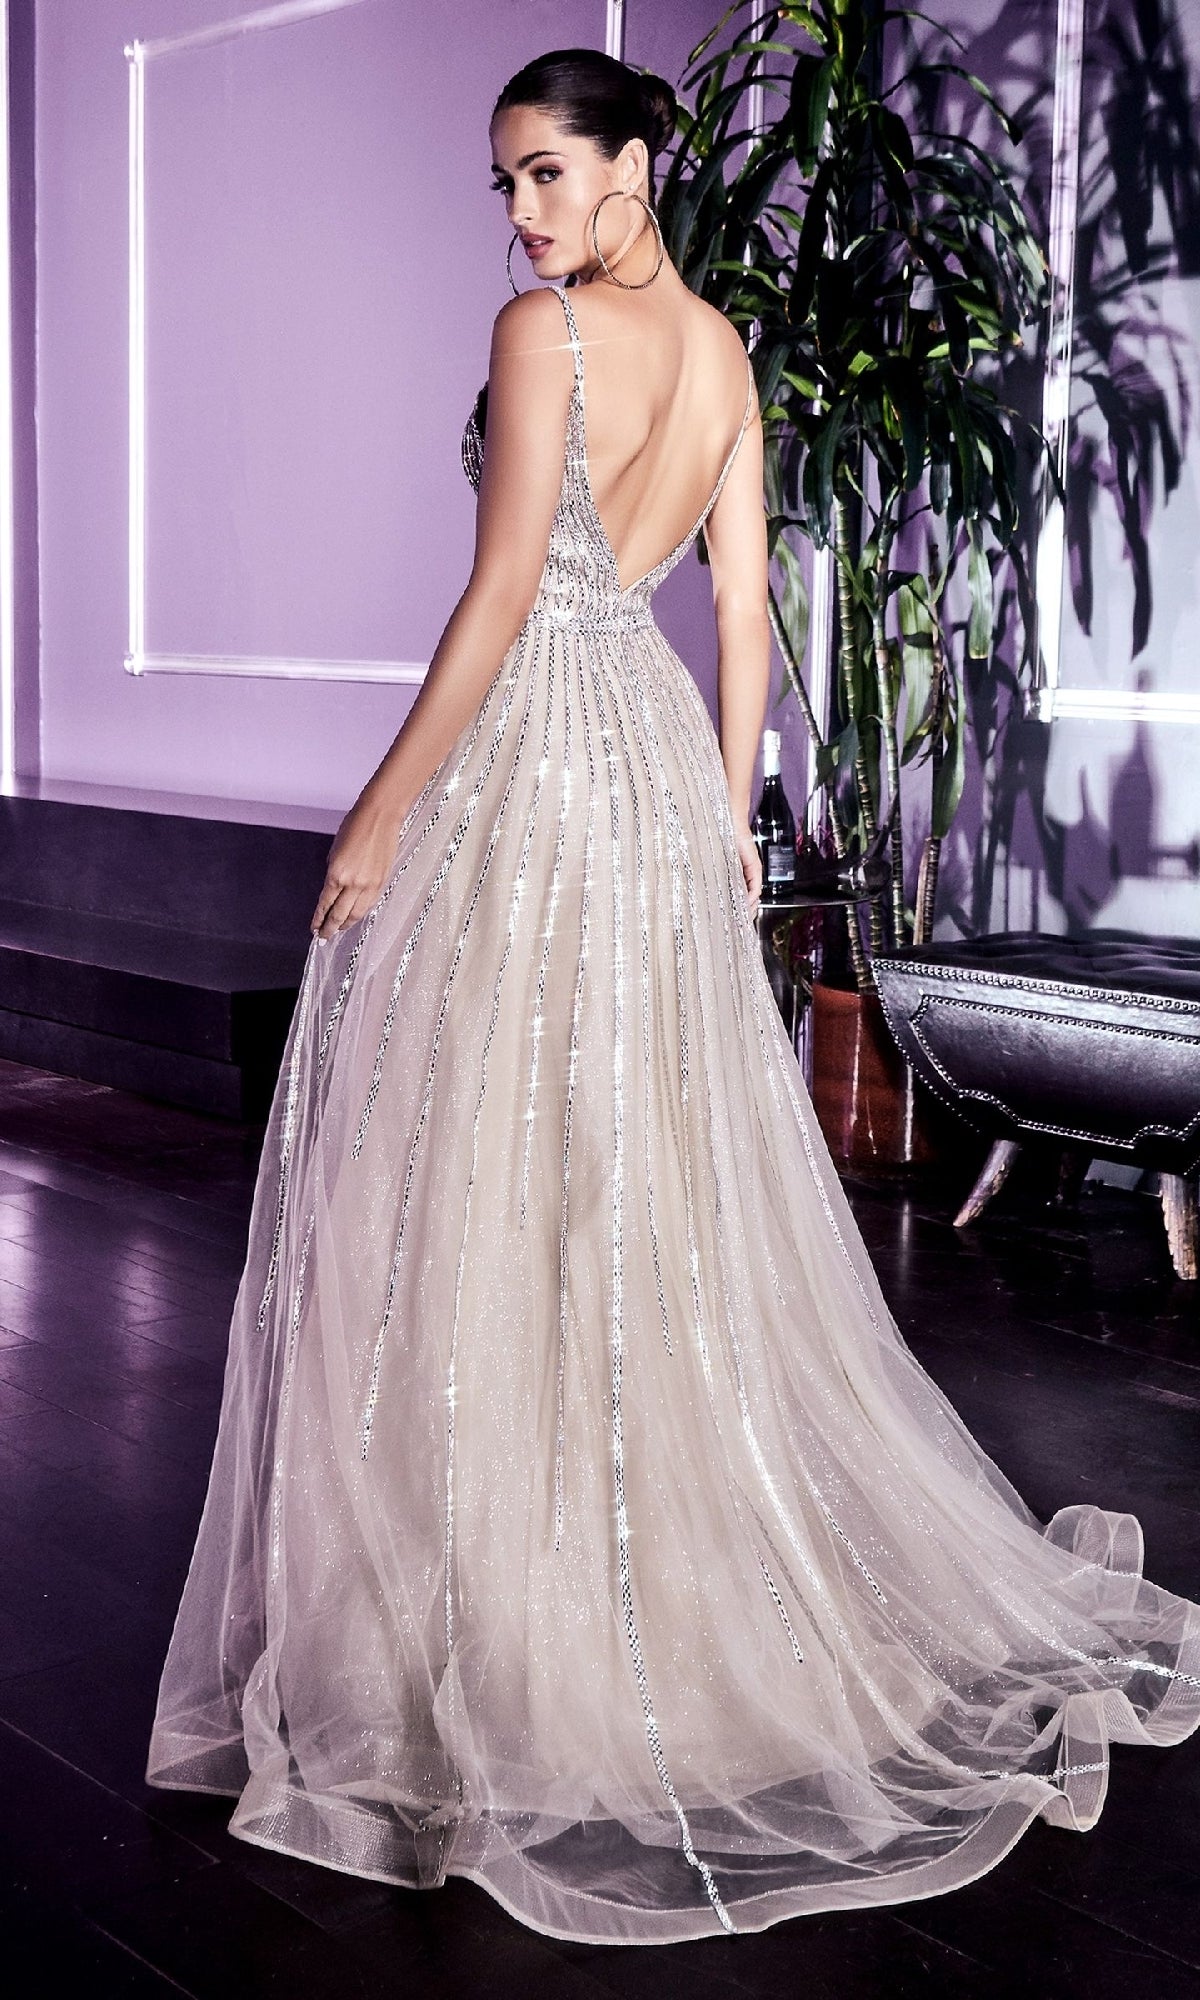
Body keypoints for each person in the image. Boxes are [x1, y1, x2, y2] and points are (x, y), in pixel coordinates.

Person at [145, 47, 1200, 1946]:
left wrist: (379, 816)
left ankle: (526, 1612)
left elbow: (492, 603)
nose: (525, 214)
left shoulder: (545, 337)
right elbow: (740, 605)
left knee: (485, 1157)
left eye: (549, 173)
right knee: (603, 1163)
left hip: (544, 750)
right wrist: (723, 829)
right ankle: (598, 1587)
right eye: (508, 188)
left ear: (638, 163)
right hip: (637, 768)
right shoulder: (727, 360)